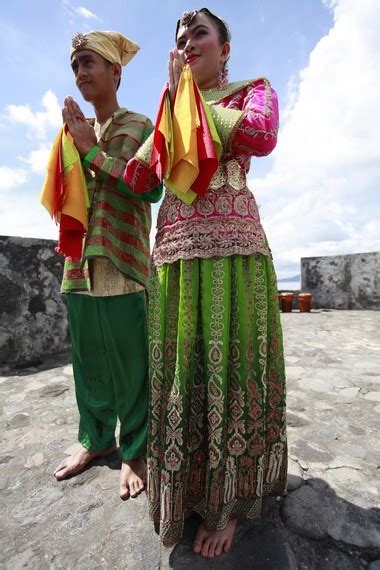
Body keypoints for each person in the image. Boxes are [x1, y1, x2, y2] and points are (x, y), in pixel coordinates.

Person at [124, 8, 287, 557]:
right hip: (174, 253)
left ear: (226, 48)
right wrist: (169, 107)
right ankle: (189, 493)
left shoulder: (253, 90)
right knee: (182, 374)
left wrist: (191, 104)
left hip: (234, 252)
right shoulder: (173, 107)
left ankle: (230, 505)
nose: (188, 43)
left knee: (231, 370)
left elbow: (262, 137)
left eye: (199, 34)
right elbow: (139, 177)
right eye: (181, 37)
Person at [52, 30, 162, 501]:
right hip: (78, 261)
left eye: (89, 63)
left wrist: (89, 150)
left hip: (122, 257)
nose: (80, 73)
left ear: (116, 71)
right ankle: (95, 441)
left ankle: (135, 450)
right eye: (75, 65)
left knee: (130, 362)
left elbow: (149, 186)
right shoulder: (71, 132)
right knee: (90, 361)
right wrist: (72, 146)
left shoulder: (140, 125)